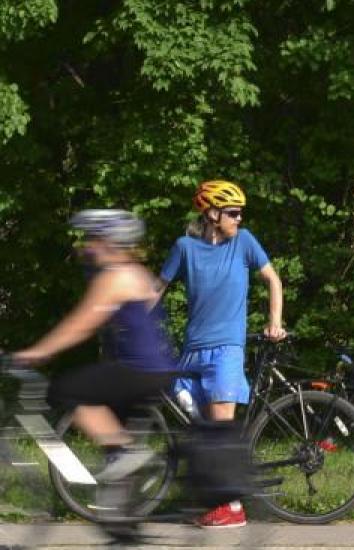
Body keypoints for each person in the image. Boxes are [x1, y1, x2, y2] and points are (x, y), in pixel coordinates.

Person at [13, 210, 176, 491]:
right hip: (158, 370)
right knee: (111, 432)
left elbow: (81, 324)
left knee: (66, 389)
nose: (87, 246)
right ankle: (123, 515)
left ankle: (129, 453)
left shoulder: (115, 276)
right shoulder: (138, 272)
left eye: (93, 238)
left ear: (110, 241)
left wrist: (38, 352)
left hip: (137, 370)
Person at [159, 180, 286, 528]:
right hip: (192, 352)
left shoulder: (243, 242)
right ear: (212, 214)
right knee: (195, 422)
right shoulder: (185, 247)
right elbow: (157, 289)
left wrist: (274, 322)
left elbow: (273, 280)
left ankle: (231, 508)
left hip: (226, 351)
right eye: (232, 213)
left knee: (219, 429)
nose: (239, 218)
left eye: (241, 213)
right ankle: (215, 493)